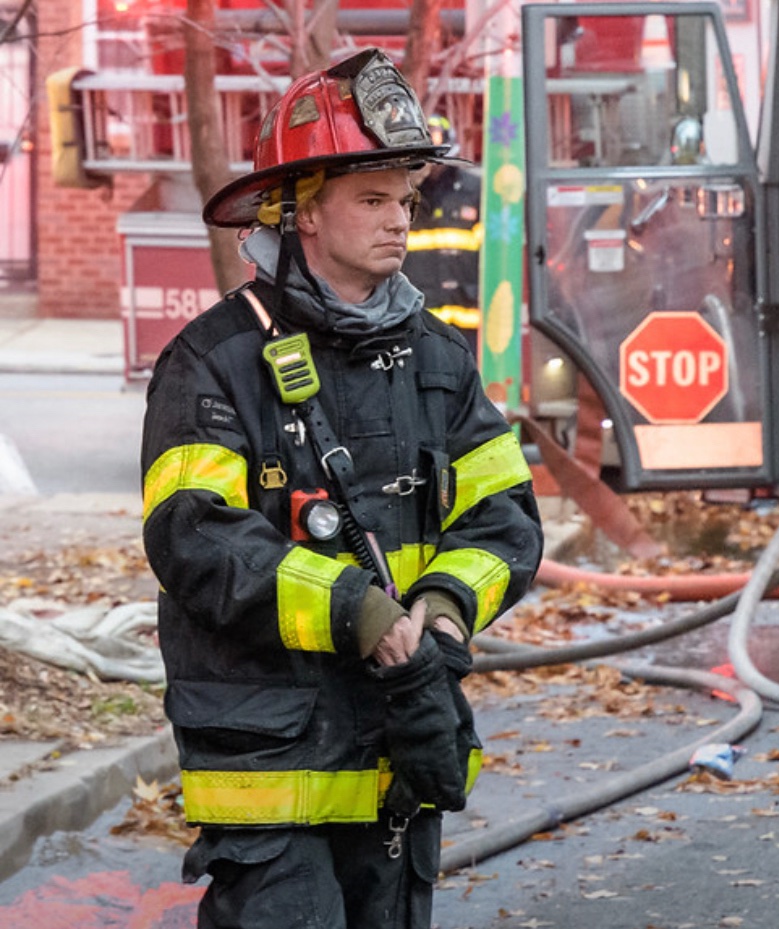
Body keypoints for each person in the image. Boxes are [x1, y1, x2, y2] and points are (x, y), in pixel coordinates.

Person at [141, 48, 543, 929]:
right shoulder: (214, 361)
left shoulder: (436, 357)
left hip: (400, 750)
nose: (399, 220)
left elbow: (505, 517)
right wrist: (357, 610)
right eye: (372, 199)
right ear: (303, 212)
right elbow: (195, 538)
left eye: (406, 200)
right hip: (272, 764)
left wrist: (443, 608)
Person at [404, 114, 483, 354]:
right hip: (416, 325)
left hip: (468, 327)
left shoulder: (475, 192)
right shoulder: (402, 196)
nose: (432, 165)